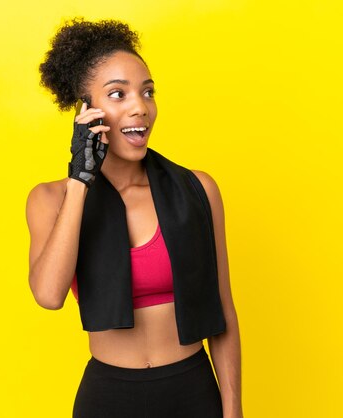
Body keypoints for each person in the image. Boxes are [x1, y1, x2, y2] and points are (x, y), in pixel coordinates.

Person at [26, 18, 243, 418]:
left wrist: (233, 411)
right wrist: (80, 180)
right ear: (85, 110)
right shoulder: (51, 199)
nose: (139, 106)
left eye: (147, 92)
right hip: (109, 396)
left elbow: (223, 313)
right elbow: (49, 295)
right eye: (117, 94)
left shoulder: (198, 190)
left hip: (192, 391)